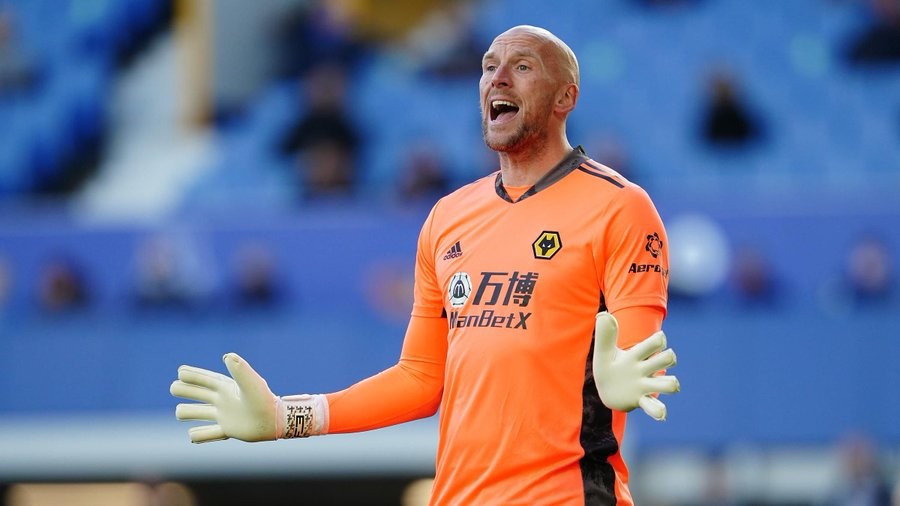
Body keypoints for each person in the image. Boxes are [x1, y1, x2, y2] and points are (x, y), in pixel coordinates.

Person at [171, 25, 679, 505]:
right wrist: (289, 416)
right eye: (489, 66)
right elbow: (419, 377)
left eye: (522, 66)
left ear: (565, 97)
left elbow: (636, 354)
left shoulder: (619, 207)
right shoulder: (448, 217)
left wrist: (625, 378)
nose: (498, 78)